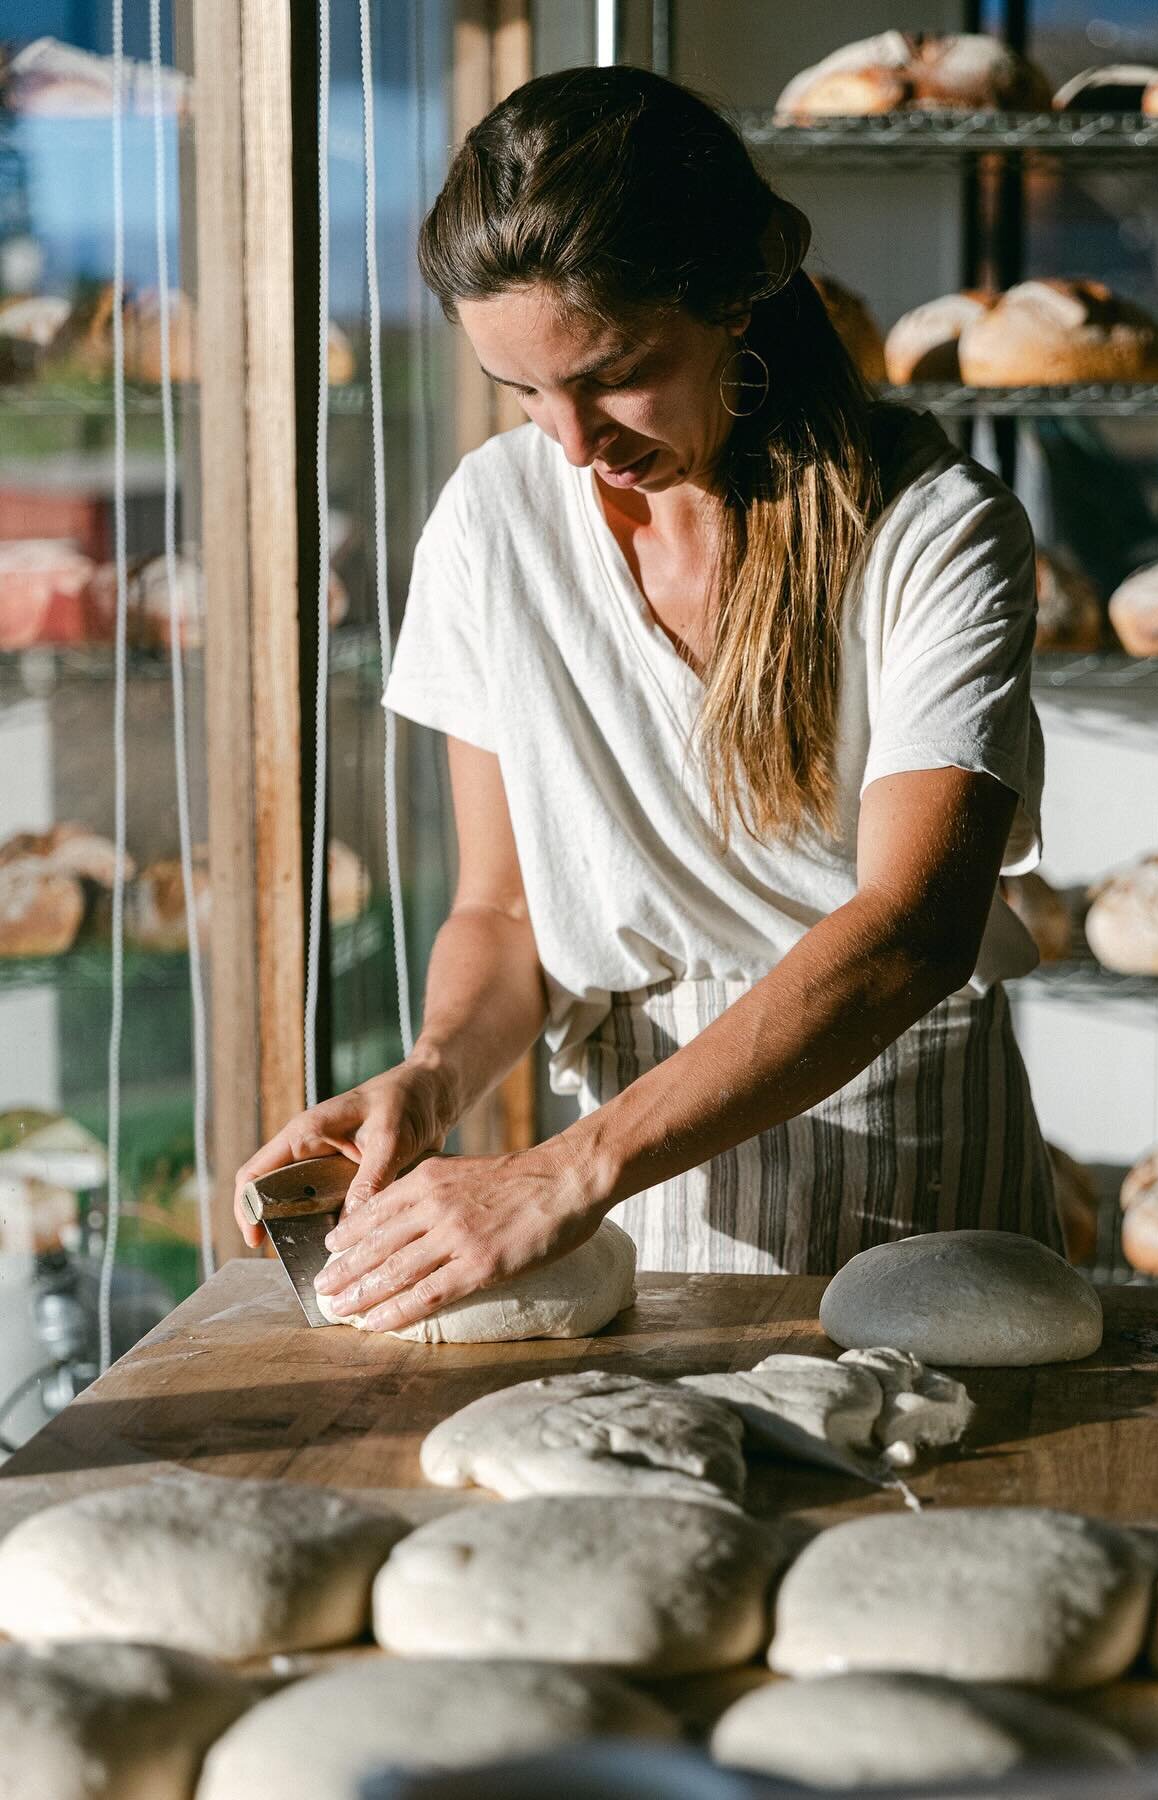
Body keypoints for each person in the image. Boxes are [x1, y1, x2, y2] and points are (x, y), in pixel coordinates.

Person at [233, 66, 1059, 1334]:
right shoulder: (494, 522)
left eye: (614, 373)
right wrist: (433, 1072)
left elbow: (913, 928)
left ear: (737, 297)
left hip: (919, 1172)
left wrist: (570, 1168)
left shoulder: (934, 531)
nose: (571, 446)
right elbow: (502, 909)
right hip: (638, 1197)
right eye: (522, 391)